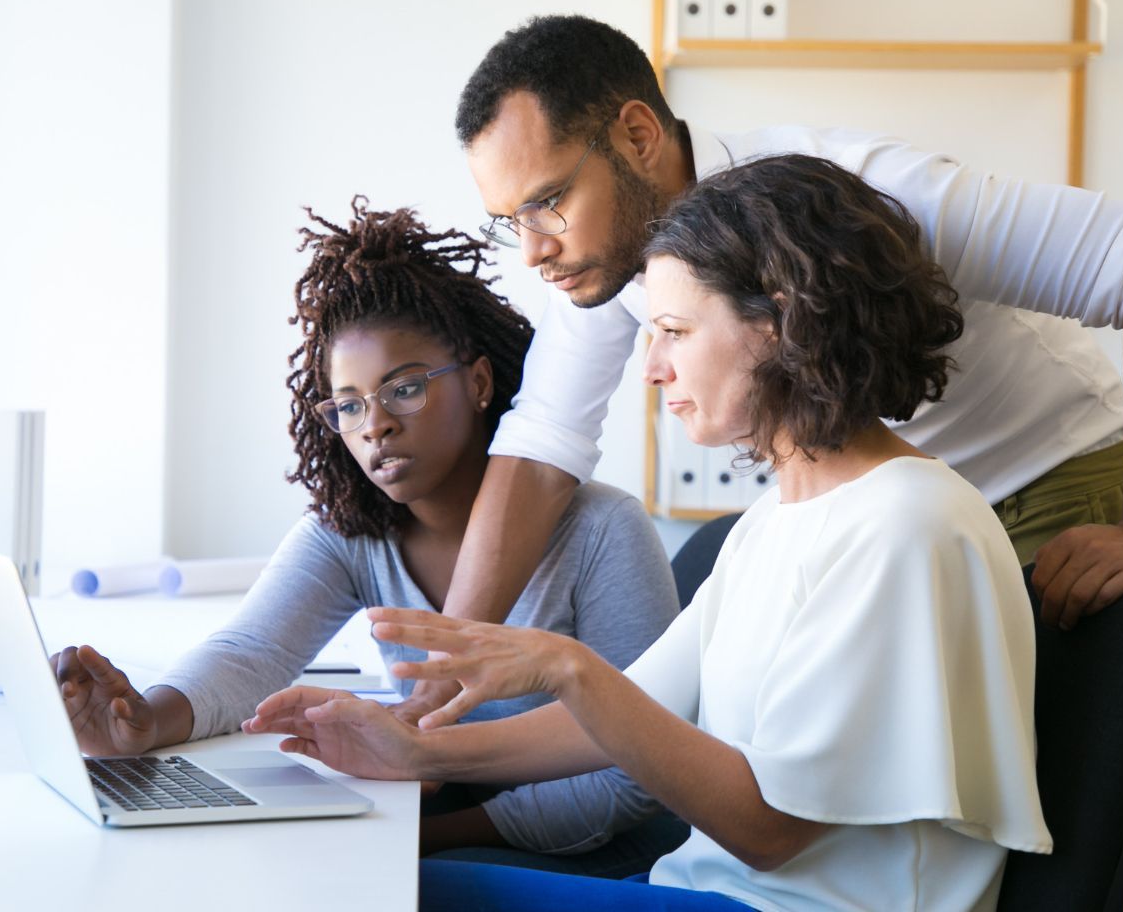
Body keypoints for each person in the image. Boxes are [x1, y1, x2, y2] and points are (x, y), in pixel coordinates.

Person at [246, 155, 1054, 911]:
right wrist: (415, 752)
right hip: (701, 889)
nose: (652, 367)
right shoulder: (777, 519)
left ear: (778, 324)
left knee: (381, 894)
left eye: (674, 331)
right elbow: (636, 713)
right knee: (362, 881)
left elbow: (770, 833)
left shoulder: (905, 527)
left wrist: (567, 667)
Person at [392, 15, 1123, 723]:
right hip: (886, 520)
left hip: (1046, 481)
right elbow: (540, 447)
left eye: (547, 202)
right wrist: (438, 687)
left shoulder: (866, 197)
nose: (533, 248)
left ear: (638, 137)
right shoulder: (602, 258)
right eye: (510, 220)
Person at [48, 198, 683, 872]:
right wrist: (146, 720)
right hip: (444, 817)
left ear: (478, 382)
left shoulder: (602, 532)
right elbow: (252, 651)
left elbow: (637, 776)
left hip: (598, 849)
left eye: (404, 389)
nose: (374, 425)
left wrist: (414, 840)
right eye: (348, 404)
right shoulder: (352, 533)